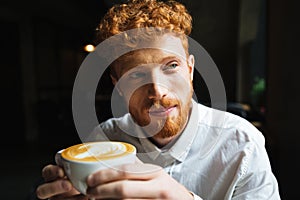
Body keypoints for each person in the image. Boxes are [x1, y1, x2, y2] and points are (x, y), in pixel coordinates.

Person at [35, 0, 281, 199]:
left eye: (171, 66)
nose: (157, 91)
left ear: (190, 70)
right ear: (117, 85)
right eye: (137, 75)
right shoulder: (106, 140)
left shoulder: (242, 144)